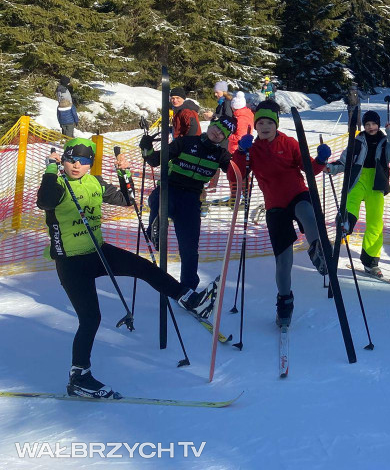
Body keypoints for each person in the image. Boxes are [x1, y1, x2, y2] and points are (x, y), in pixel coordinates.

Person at [37, 139, 216, 399]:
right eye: (71, 159)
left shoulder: (95, 182)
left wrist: (125, 174)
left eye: (84, 161)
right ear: (62, 160)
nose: (77, 165)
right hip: (70, 262)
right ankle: (79, 377)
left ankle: (189, 299)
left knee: (143, 267)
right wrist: (50, 169)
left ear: (90, 165)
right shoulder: (57, 183)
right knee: (90, 319)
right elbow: (46, 201)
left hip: (97, 252)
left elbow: (126, 200)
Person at [233, 100, 332, 327]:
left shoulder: (288, 143)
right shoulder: (252, 149)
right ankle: (284, 302)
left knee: (307, 212)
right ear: (255, 126)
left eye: (270, 122)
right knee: (283, 261)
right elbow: (235, 177)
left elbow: (308, 168)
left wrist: (320, 160)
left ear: (276, 124)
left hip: (297, 194)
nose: (265, 126)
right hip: (274, 206)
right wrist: (240, 152)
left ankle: (319, 250)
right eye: (261, 123)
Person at [141, 115, 235, 291]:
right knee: (160, 200)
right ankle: (156, 228)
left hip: (191, 199)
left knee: (189, 247)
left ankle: (188, 287)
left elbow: (235, 174)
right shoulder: (186, 142)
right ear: (211, 126)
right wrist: (146, 147)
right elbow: (155, 160)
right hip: (170, 188)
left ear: (225, 138)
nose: (217, 133)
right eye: (216, 128)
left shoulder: (220, 155)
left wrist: (243, 156)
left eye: (222, 133)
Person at [325, 110, 390, 277]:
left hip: (376, 183)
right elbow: (344, 162)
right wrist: (331, 168)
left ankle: (370, 261)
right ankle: (346, 223)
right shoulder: (357, 141)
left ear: (378, 124)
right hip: (358, 180)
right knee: (351, 203)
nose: (370, 127)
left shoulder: (384, 142)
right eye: (367, 124)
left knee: (375, 224)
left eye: (374, 124)